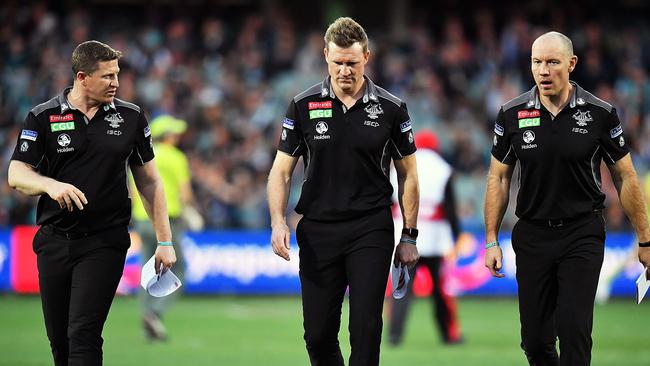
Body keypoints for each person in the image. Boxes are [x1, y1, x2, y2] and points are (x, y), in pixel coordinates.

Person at [484, 31, 650, 366]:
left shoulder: (600, 113)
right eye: (536, 62)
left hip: (582, 232)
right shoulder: (511, 114)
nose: (543, 70)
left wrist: (645, 238)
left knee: (574, 332)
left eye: (552, 62)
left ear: (571, 64)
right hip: (531, 235)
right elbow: (498, 177)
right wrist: (490, 240)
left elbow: (625, 176)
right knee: (534, 340)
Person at [7, 40, 176, 366]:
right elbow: (16, 173)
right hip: (54, 240)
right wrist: (49, 185)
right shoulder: (43, 117)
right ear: (82, 77)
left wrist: (164, 240)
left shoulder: (131, 117)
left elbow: (150, 181)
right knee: (60, 342)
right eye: (107, 76)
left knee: (83, 334)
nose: (116, 82)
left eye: (117, 74)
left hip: (105, 241)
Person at [267, 17, 419, 366]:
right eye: (338, 62)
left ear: (367, 56)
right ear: (325, 56)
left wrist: (409, 235)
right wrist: (277, 221)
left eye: (352, 62)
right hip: (319, 230)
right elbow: (281, 169)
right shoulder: (302, 106)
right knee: (318, 336)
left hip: (371, 227)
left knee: (366, 330)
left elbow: (408, 173)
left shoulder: (392, 109)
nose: (345, 70)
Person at [388, 130, 463, 346]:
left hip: (404, 235)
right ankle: (448, 335)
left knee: (401, 289)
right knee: (440, 291)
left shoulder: (401, 164)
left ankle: (394, 335)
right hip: (435, 238)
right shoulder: (442, 167)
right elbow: (449, 207)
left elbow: (391, 200)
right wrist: (456, 236)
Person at [131, 114, 201, 341]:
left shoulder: (141, 154)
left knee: (147, 271)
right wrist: (192, 211)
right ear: (166, 136)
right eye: (174, 133)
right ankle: (156, 312)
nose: (177, 137)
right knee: (178, 270)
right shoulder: (176, 157)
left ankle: (147, 320)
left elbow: (133, 190)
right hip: (166, 222)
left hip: (142, 220)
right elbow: (185, 193)